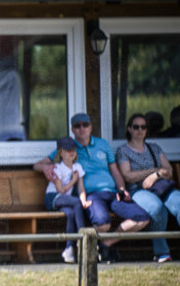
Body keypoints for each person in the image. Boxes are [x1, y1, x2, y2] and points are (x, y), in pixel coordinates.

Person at [34, 113, 150, 263]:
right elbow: (37, 164)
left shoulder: (103, 145)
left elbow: (114, 170)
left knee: (142, 218)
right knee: (103, 224)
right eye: (77, 126)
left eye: (85, 124)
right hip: (91, 195)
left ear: (91, 127)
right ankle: (91, 247)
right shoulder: (69, 148)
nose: (82, 128)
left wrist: (121, 189)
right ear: (72, 129)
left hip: (112, 193)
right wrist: (44, 168)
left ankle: (105, 244)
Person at [115, 112, 180, 263]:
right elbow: (128, 176)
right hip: (137, 190)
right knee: (157, 208)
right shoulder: (123, 151)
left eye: (143, 127)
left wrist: (155, 176)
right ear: (129, 129)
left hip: (160, 187)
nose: (140, 130)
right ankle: (161, 252)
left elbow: (168, 171)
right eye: (136, 127)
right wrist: (154, 171)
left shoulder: (154, 148)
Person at [44, 137, 91, 264]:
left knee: (71, 213)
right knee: (76, 202)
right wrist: (73, 181)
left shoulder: (77, 167)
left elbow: (81, 188)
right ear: (61, 153)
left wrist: (84, 201)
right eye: (67, 150)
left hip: (65, 201)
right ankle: (83, 241)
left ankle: (69, 248)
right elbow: (61, 190)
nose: (71, 152)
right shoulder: (57, 168)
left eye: (73, 150)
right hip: (52, 198)